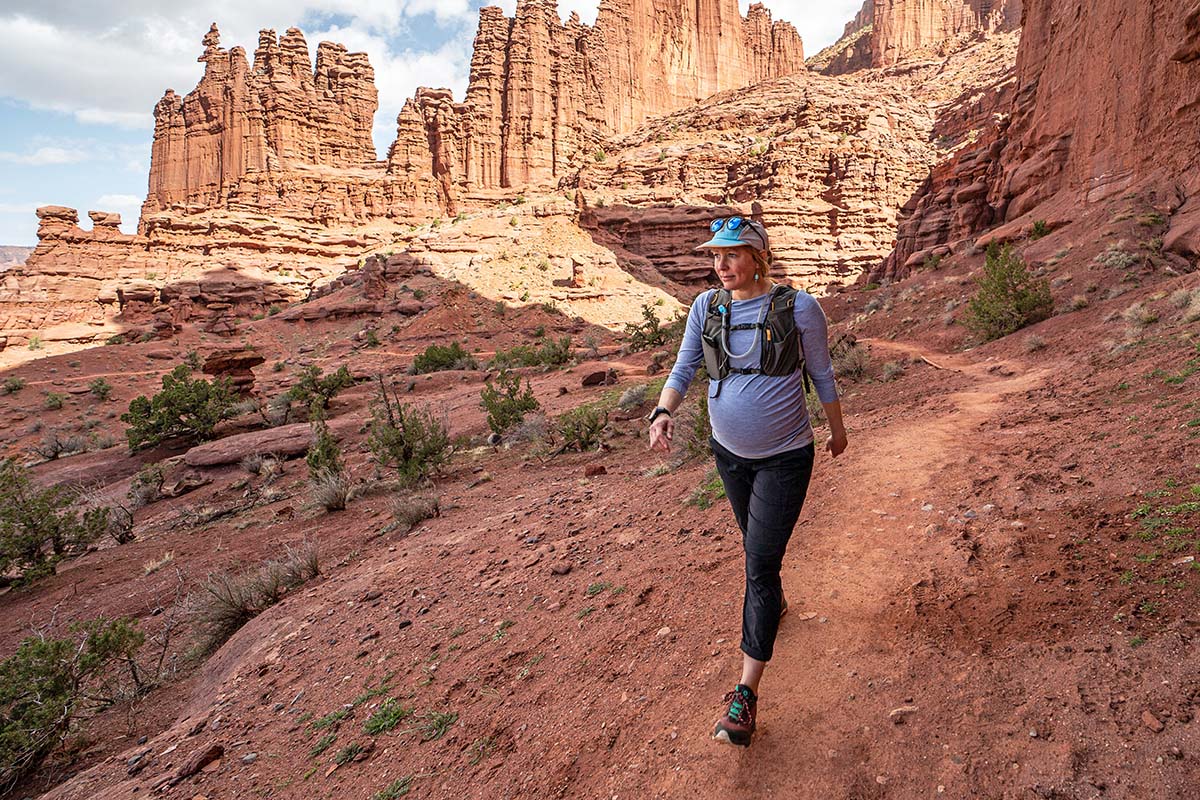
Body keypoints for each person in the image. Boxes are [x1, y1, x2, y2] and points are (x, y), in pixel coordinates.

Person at [646, 215, 847, 748]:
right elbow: (684, 366)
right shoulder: (706, 307)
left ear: (758, 257)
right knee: (757, 547)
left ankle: (744, 696)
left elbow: (821, 372)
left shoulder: (798, 306)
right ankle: (774, 601)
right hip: (729, 455)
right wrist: (661, 412)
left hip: (785, 457)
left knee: (758, 562)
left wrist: (838, 430)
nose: (721, 264)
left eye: (731, 254)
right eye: (715, 255)